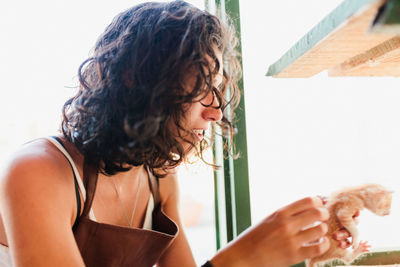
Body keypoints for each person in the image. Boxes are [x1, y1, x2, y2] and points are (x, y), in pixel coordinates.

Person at [0, 1, 351, 266]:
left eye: (217, 90)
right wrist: (243, 257)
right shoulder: (37, 173)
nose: (216, 112)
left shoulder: (158, 176)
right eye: (200, 89)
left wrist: (298, 245)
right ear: (137, 82)